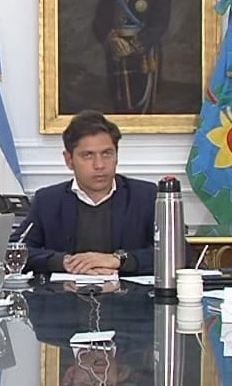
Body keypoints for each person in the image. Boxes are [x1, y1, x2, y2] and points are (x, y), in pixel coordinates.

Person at [19, 110, 155, 275]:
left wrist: (119, 260)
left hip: (129, 290)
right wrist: (63, 262)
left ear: (117, 156)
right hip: (65, 291)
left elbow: (174, 252)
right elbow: (16, 250)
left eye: (107, 154)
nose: (99, 165)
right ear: (69, 160)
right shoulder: (48, 201)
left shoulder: (146, 196)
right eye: (88, 155)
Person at [92, 0, 172, 113]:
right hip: (115, 54)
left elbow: (160, 23)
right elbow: (99, 23)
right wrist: (112, 40)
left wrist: (134, 45)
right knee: (119, 107)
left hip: (144, 55)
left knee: (143, 110)